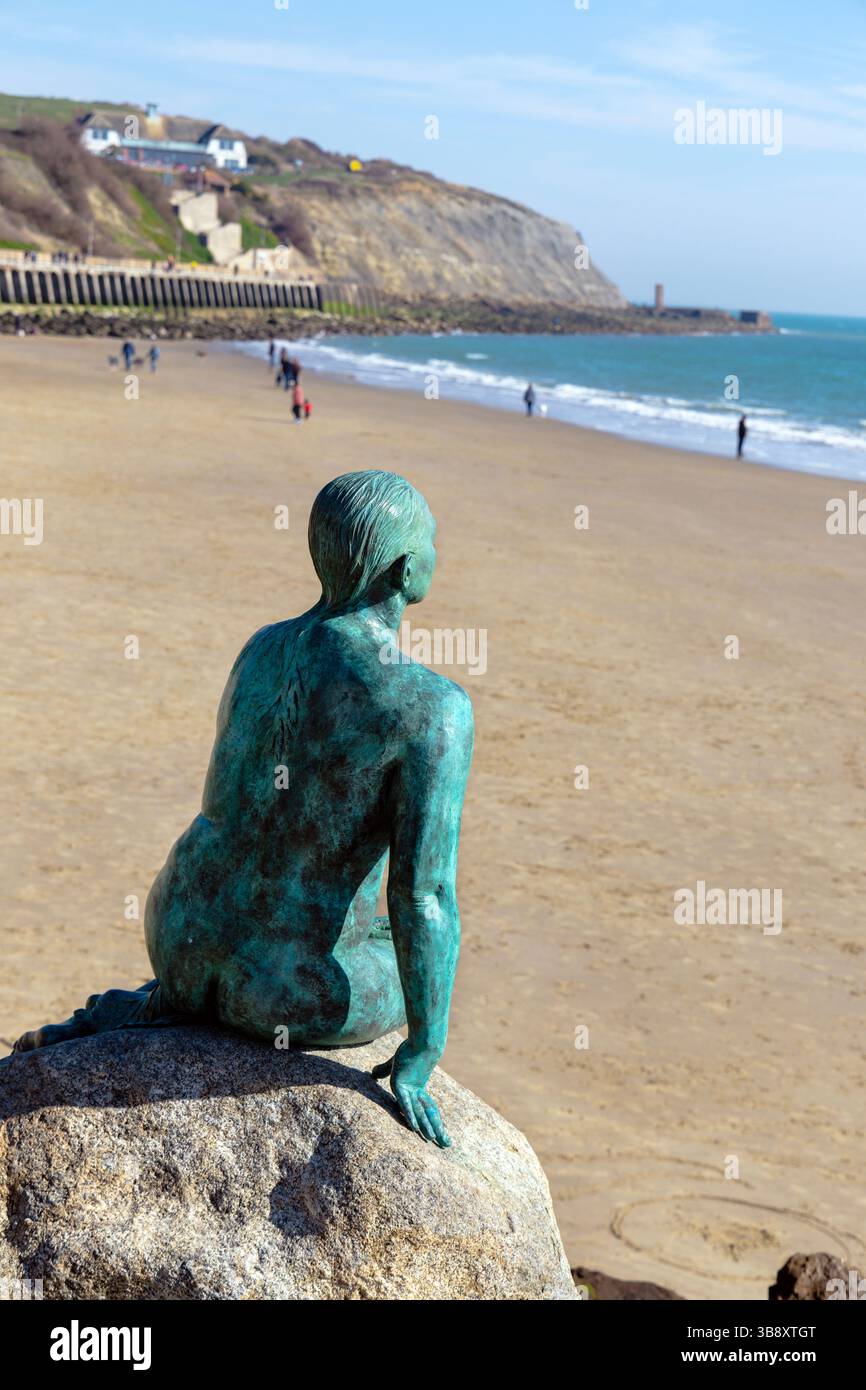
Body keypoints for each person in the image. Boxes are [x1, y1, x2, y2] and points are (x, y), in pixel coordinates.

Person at [13, 472, 474, 1149]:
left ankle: (151, 1003)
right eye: (430, 537)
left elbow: (237, 805)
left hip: (180, 934)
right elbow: (424, 894)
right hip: (283, 992)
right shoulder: (432, 709)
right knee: (405, 940)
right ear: (405, 568)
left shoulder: (261, 648)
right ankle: (185, 997)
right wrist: (422, 1052)